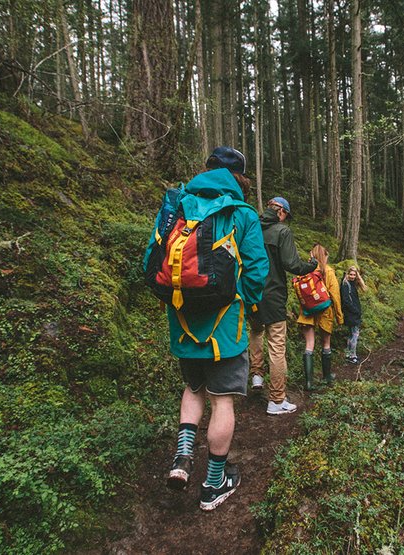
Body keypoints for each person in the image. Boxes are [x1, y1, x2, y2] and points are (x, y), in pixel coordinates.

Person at [160, 146, 269, 511]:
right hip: (225, 326)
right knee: (222, 401)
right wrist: (249, 303)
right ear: (241, 177)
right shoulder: (242, 213)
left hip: (182, 321)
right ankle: (213, 483)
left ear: (206, 170)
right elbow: (256, 270)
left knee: (193, 388)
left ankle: (182, 458)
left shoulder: (179, 204)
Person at [249, 196, 318, 415]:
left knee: (256, 331)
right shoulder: (282, 231)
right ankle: (277, 400)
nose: (285, 220)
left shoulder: (251, 227)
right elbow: (292, 264)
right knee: (277, 346)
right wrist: (312, 265)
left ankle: (256, 375)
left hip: (252, 293)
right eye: (286, 216)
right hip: (273, 294)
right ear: (281, 212)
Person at [297, 243, 343, 389]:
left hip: (307, 311)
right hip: (325, 312)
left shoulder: (304, 270)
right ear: (325, 256)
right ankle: (327, 377)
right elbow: (335, 295)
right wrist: (339, 316)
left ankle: (309, 382)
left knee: (309, 344)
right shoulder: (328, 271)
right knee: (326, 343)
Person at [340, 265, 366, 364]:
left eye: (354, 275)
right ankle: (352, 355)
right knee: (355, 334)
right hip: (351, 313)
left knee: (351, 334)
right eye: (350, 274)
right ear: (347, 273)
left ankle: (348, 354)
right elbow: (346, 301)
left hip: (351, 313)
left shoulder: (350, 283)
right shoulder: (345, 284)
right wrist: (355, 310)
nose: (352, 276)